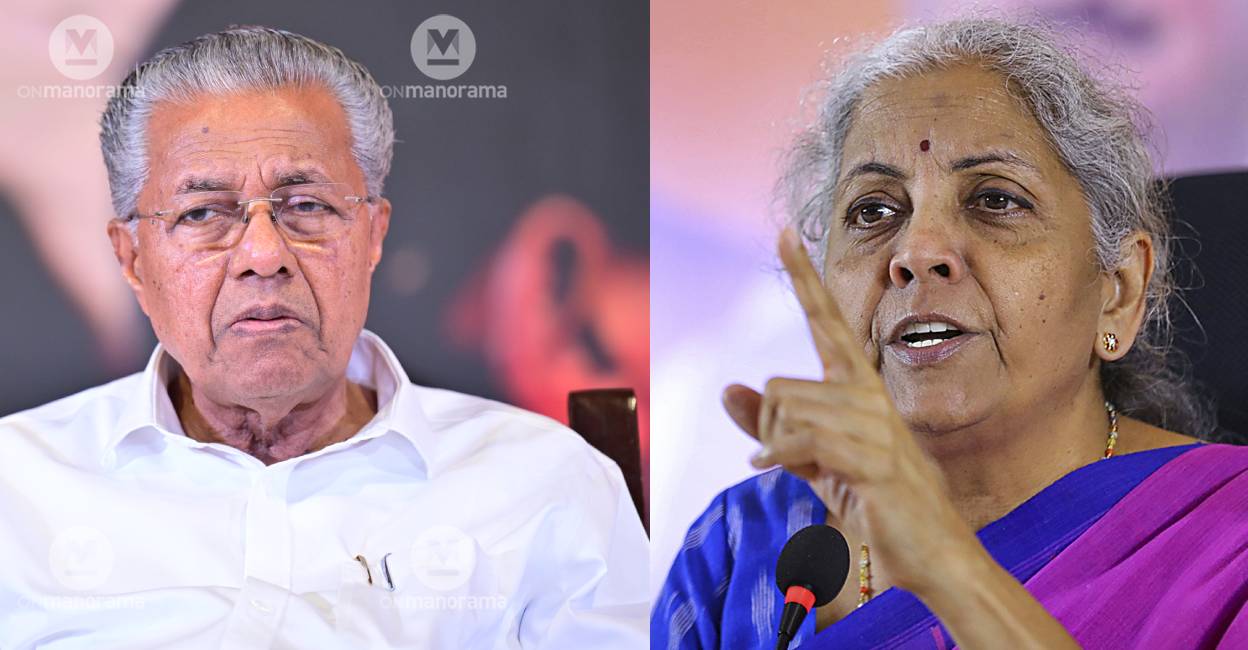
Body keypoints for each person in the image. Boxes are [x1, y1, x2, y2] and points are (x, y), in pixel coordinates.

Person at [0, 26, 647, 649]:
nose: (263, 255)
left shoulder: (543, 480)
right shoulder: (18, 486)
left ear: (373, 236)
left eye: (306, 206)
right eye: (202, 213)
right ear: (133, 258)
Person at [653, 18, 1248, 649]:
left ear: (1118, 292)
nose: (917, 252)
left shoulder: (1227, 540)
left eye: (995, 200)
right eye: (873, 210)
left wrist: (945, 565)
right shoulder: (738, 551)